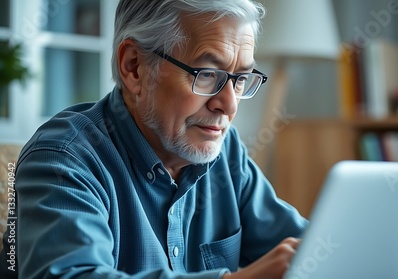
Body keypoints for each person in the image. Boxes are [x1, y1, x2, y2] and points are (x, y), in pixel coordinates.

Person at [0, 0, 309, 278]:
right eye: (206, 74)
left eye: (240, 79)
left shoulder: (225, 154)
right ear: (134, 67)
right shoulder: (62, 157)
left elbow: (310, 247)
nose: (228, 106)